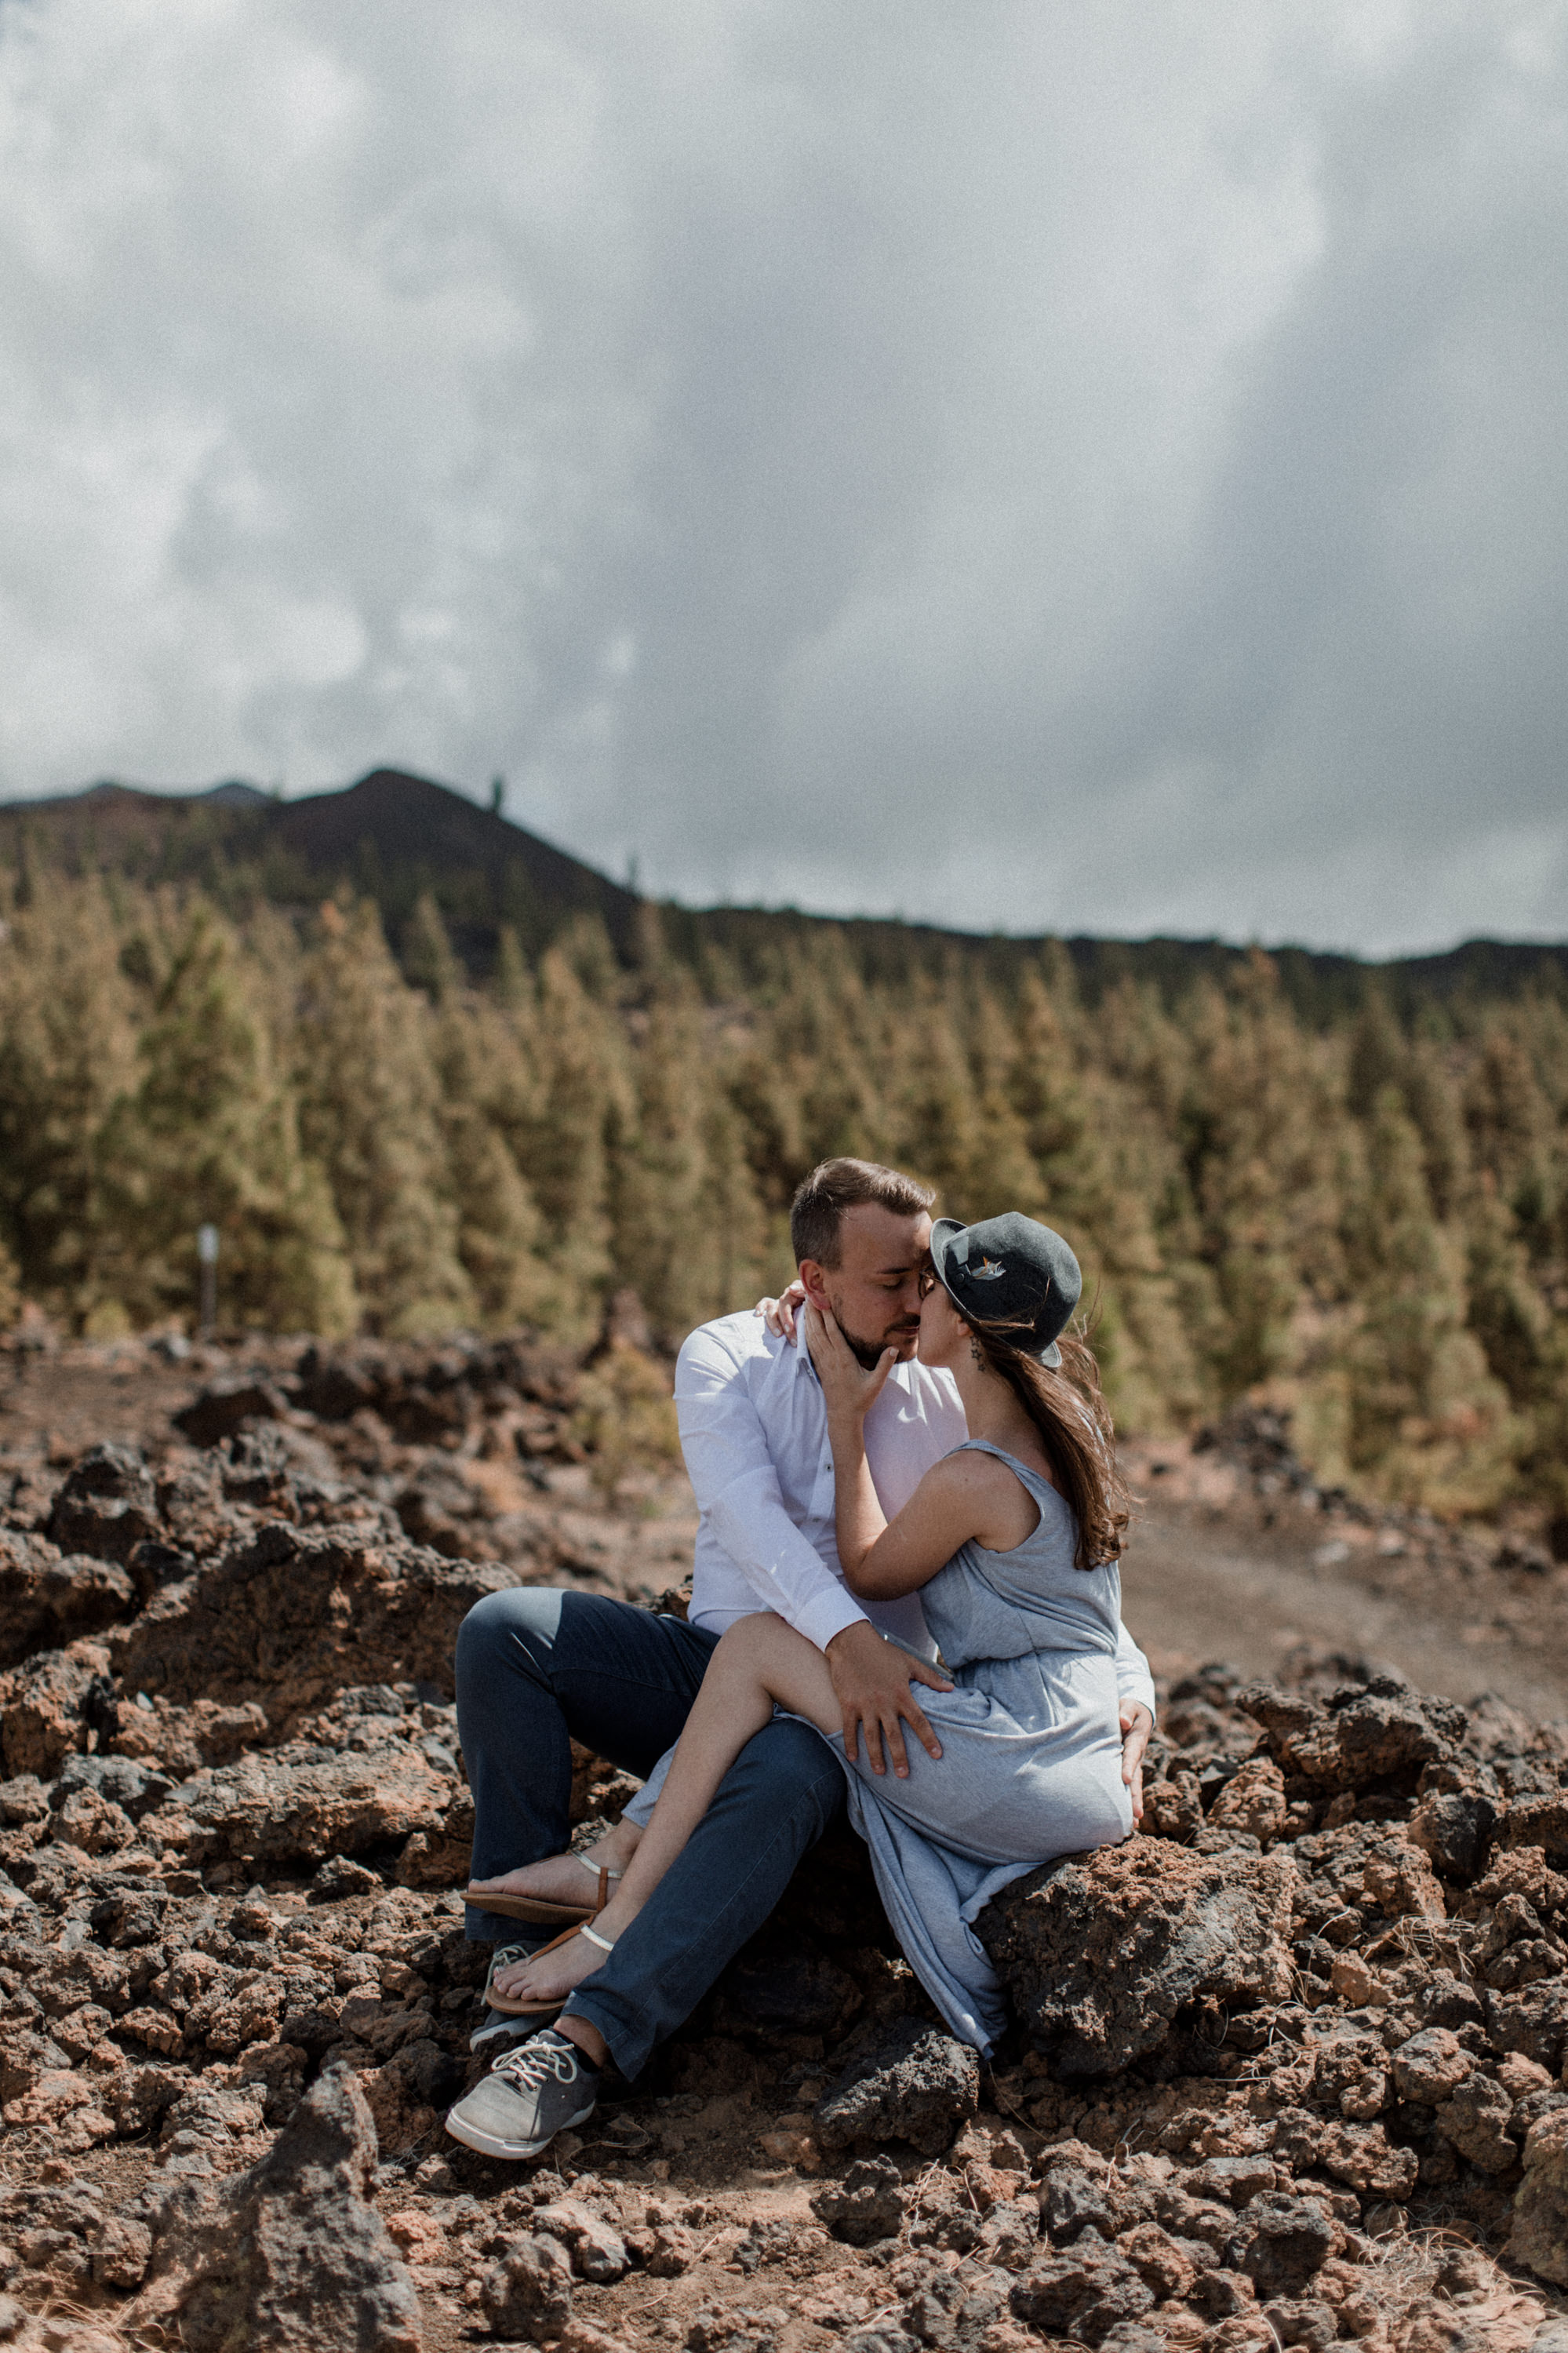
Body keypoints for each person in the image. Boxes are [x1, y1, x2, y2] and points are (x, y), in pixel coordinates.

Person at [444, 1160, 1154, 2162]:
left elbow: (1069, 1586)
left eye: (926, 1278)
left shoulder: (956, 1394)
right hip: (734, 1669)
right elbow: (753, 1527)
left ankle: (591, 2032)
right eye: (891, 1280)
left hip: (874, 1714)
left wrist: (1131, 1688)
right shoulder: (729, 1355)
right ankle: (515, 1955)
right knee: (504, 1628)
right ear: (813, 1281)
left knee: (788, 1759)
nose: (915, 1301)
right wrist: (844, 1636)